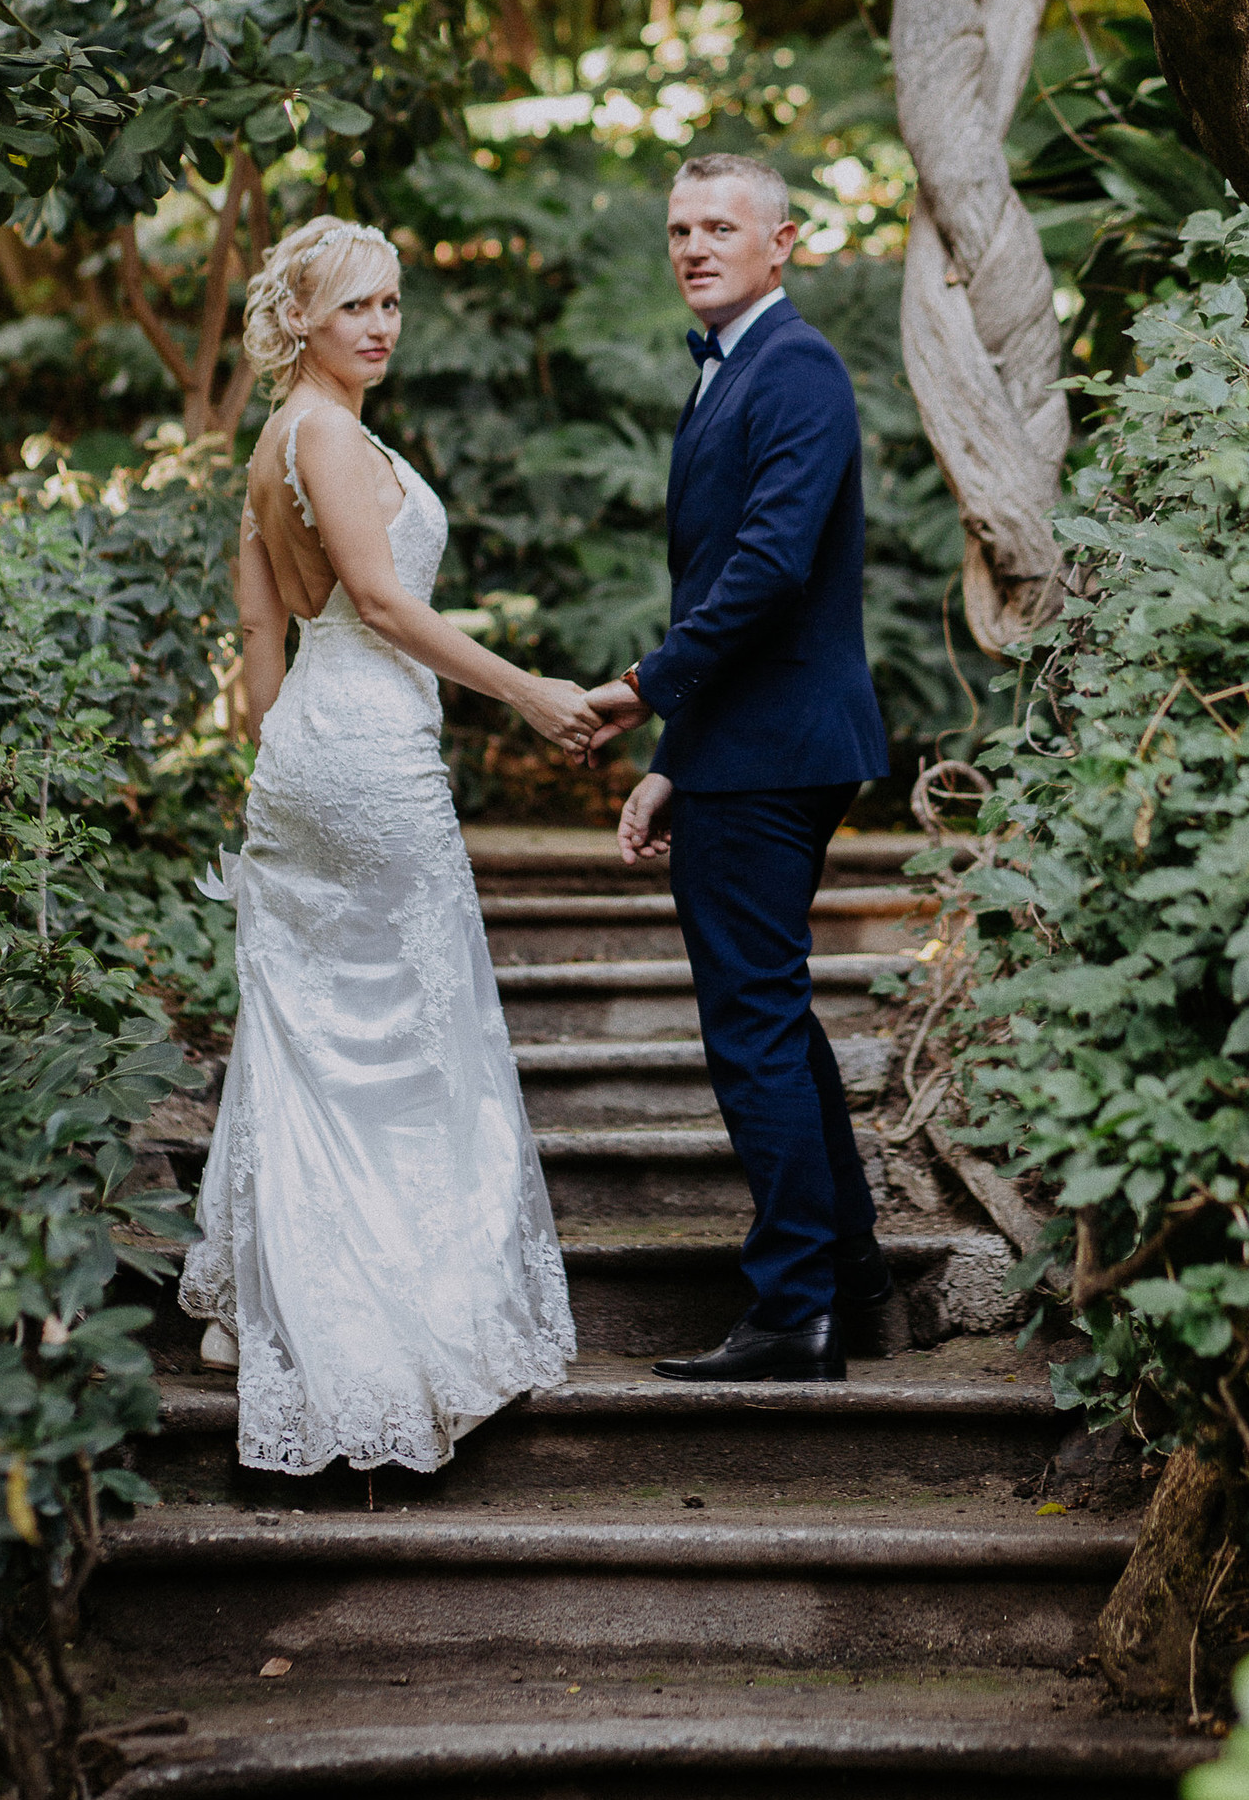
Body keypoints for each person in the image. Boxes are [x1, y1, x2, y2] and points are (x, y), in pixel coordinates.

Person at [180, 215, 591, 1474]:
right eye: (356, 305)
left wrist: (276, 764)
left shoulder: (271, 444)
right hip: (367, 750)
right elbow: (381, 603)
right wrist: (525, 690)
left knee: (305, 1017)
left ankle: (264, 1294)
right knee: (420, 1014)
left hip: (304, 749)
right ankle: (394, 1307)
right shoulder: (329, 436)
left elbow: (259, 647)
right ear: (299, 317)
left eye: (393, 303)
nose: (382, 325)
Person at [582, 154, 892, 1382]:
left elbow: (765, 572)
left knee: (749, 1025)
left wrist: (644, 687)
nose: (695, 246)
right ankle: (848, 1276)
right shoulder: (730, 374)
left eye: (722, 226)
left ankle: (790, 1312)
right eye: (679, 228)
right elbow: (729, 582)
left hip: (782, 749)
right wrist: (673, 759)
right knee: (772, 1012)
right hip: (744, 748)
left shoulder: (795, 366)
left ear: (784, 243)